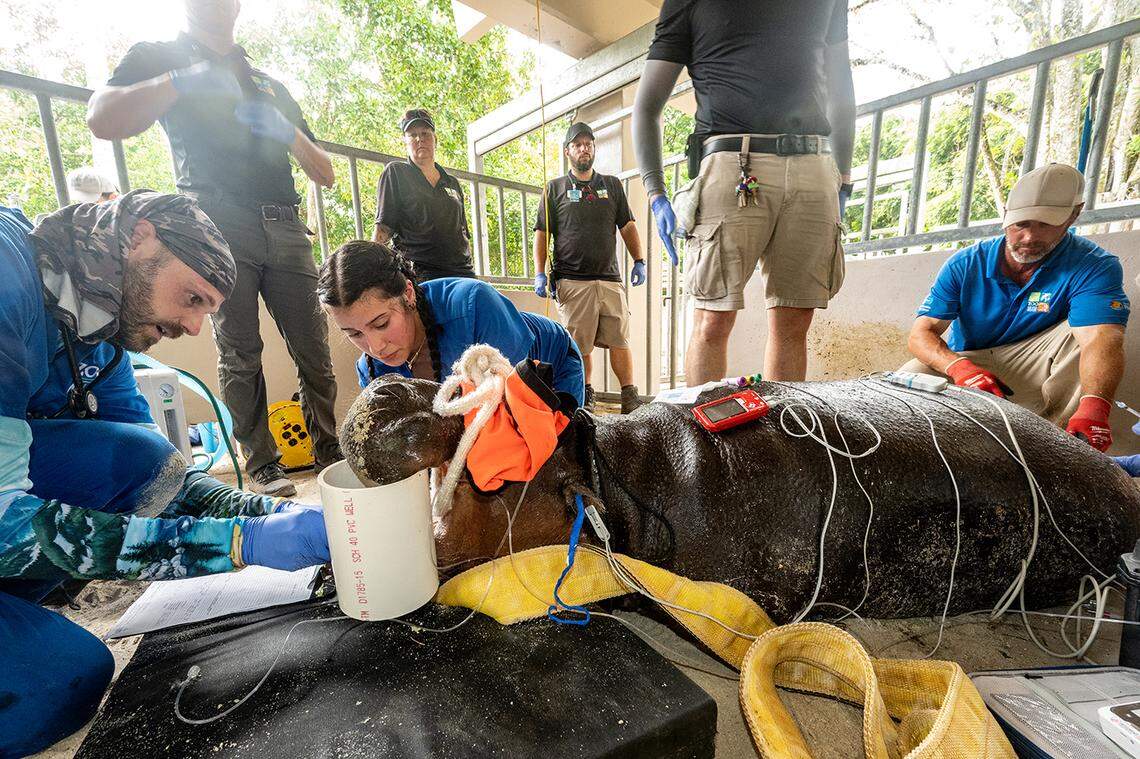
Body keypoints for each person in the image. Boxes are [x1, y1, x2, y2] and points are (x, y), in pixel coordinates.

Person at [0, 192, 329, 756]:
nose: (195, 327)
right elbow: (7, 528)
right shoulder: (8, 283)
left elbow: (160, 476)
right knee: (55, 690)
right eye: (192, 298)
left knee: (138, 458)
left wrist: (266, 511)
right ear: (139, 238)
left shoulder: (97, 336)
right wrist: (235, 544)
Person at [86, 0, 342, 498]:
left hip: (286, 224)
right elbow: (102, 117)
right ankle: (263, 463)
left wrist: (288, 133)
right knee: (240, 349)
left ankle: (332, 454)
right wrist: (181, 81)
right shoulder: (161, 57)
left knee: (315, 349)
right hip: (218, 224)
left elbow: (325, 172)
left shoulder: (267, 83)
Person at [632, 0, 856, 385]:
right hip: (733, 161)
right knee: (712, 317)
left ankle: (781, 437)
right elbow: (647, 105)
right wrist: (655, 194)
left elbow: (841, 89)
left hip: (814, 164)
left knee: (794, 320)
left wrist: (844, 178)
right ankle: (702, 440)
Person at [903, 163, 1130, 452]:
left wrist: (1096, 406)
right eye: (1021, 224)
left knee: (1088, 336)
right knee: (912, 372)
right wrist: (959, 367)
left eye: (1045, 225)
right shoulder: (965, 263)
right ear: (1005, 216)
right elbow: (921, 333)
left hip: (1039, 365)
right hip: (972, 360)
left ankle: (1055, 451)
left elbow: (1101, 338)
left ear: (1074, 214)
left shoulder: (1094, 265)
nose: (1029, 238)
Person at [317, 241, 584, 405]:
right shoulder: (372, 371)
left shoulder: (474, 305)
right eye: (354, 333)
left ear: (408, 293)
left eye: (382, 323)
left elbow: (510, 410)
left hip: (552, 366)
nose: (375, 347)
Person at [533, 122, 646, 414]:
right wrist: (539, 272)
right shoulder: (554, 188)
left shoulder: (611, 185)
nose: (585, 148)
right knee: (580, 345)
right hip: (573, 281)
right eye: (578, 144)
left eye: (589, 143)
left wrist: (639, 260)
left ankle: (629, 396)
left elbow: (628, 226)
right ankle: (586, 394)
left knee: (620, 339)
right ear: (568, 150)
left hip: (609, 279)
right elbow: (542, 233)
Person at [373, 109, 478, 281]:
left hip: (463, 272)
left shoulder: (452, 182)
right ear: (405, 141)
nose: (420, 139)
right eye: (412, 135)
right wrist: (374, 274)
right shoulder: (396, 172)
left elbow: (463, 232)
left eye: (425, 133)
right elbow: (383, 228)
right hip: (421, 273)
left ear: (435, 139)